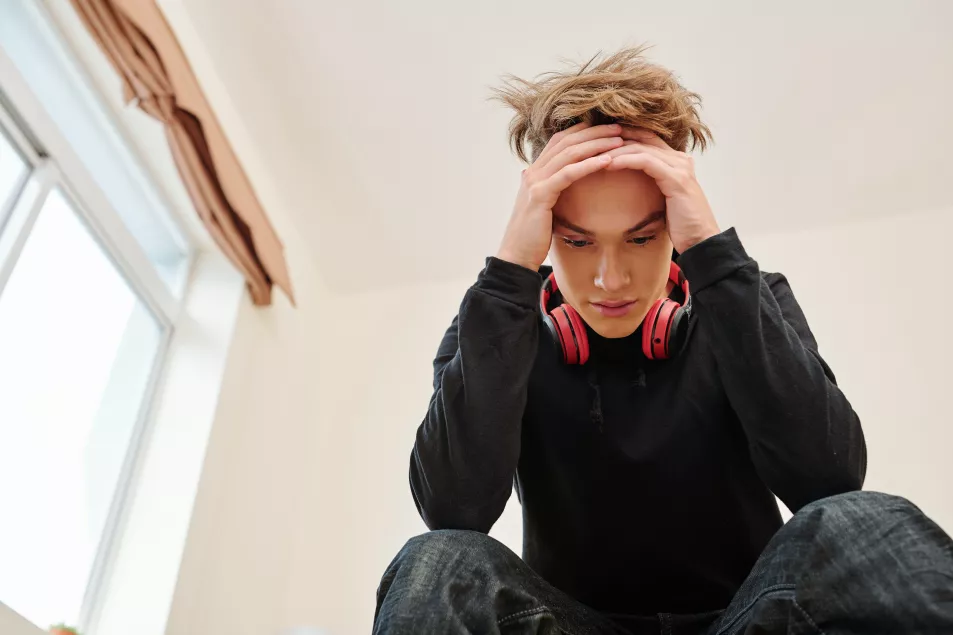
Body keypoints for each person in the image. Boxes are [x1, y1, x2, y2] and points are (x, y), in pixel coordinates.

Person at [373, 47, 953, 634]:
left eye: (642, 238)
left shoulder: (749, 298)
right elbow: (453, 512)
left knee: (863, 520)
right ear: (544, 233)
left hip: (746, 620)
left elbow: (829, 481)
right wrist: (508, 276)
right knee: (436, 562)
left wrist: (714, 254)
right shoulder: (498, 320)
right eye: (576, 242)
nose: (610, 279)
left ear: (673, 229)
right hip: (571, 626)